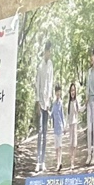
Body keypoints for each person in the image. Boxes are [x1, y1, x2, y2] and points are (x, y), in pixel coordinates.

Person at [36, 40, 54, 170]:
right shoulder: (40, 66)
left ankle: (43, 162)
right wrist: (38, 102)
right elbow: (38, 84)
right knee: (40, 131)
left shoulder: (50, 65)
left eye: (50, 51)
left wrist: (50, 101)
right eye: (48, 51)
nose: (49, 53)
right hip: (40, 102)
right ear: (45, 51)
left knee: (45, 133)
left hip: (47, 103)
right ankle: (38, 162)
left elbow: (51, 82)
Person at [65, 80, 81, 170]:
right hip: (70, 125)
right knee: (70, 144)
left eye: (74, 90)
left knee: (74, 144)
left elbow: (80, 109)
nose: (72, 92)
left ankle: (72, 163)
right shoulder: (69, 103)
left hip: (75, 125)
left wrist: (86, 104)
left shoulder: (76, 101)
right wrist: (65, 127)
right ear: (70, 92)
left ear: (75, 92)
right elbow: (67, 116)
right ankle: (71, 161)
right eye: (71, 90)